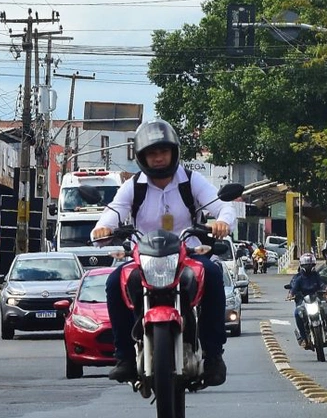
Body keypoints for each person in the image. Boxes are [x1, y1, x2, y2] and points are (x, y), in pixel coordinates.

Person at [91, 119, 237, 386]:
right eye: (152, 153)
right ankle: (124, 357)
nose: (158, 158)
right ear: (142, 156)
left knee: (214, 274)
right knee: (113, 282)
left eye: (163, 151)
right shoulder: (133, 186)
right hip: (143, 260)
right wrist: (102, 229)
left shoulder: (191, 181)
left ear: (174, 152)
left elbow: (222, 206)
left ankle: (214, 355)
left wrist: (222, 222)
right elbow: (113, 212)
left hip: (188, 255)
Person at [288, 252, 325, 349]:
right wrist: (291, 294)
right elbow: (294, 289)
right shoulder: (299, 278)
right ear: (302, 265)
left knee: (326, 310)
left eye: (310, 265)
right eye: (306, 265)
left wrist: (326, 290)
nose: (308, 267)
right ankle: (304, 338)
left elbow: (322, 284)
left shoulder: (316, 276)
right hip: (304, 301)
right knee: (297, 313)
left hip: (315, 300)